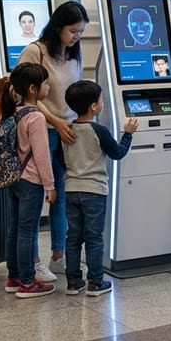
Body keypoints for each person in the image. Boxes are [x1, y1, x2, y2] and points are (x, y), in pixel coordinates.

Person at [18, 1, 89, 281]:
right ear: (58, 27)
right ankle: (34, 261)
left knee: (61, 196)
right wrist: (55, 121)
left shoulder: (74, 54)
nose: (77, 37)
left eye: (81, 32)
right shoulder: (34, 52)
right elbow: (26, 96)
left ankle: (59, 255)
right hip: (42, 131)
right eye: (73, 31)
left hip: (68, 132)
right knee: (36, 197)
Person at [62, 80, 138, 297]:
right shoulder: (99, 130)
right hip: (94, 190)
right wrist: (128, 133)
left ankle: (73, 282)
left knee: (73, 237)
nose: (103, 102)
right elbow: (117, 153)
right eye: (101, 99)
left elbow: (60, 161)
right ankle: (95, 282)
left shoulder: (66, 130)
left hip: (71, 189)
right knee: (94, 237)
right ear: (94, 107)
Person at [1, 62, 57, 298]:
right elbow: (42, 155)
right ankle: (27, 282)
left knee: (14, 229)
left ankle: (13, 276)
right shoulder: (36, 118)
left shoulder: (13, 111)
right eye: (45, 83)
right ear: (33, 88)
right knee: (28, 232)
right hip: (31, 181)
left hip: (13, 177)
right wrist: (50, 185)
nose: (48, 87)